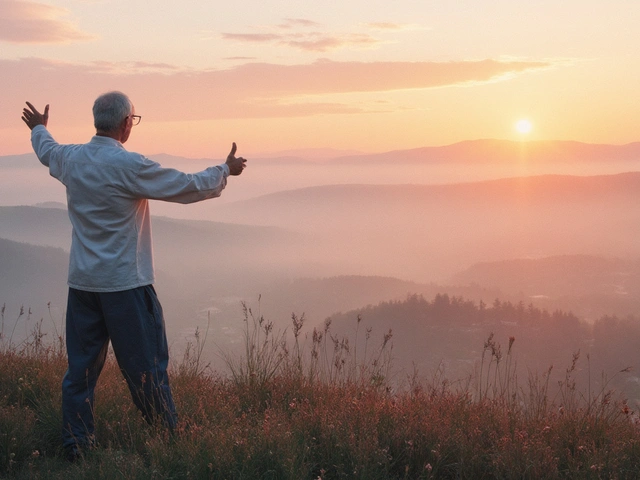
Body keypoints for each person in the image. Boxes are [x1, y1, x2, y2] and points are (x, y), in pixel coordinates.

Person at [21, 91, 246, 460]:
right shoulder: (129, 166)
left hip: (82, 285)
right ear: (126, 123)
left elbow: (47, 149)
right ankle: (170, 441)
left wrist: (39, 129)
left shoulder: (71, 159)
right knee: (146, 370)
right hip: (126, 285)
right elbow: (187, 185)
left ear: (98, 120)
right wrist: (225, 170)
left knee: (80, 371)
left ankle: (76, 445)